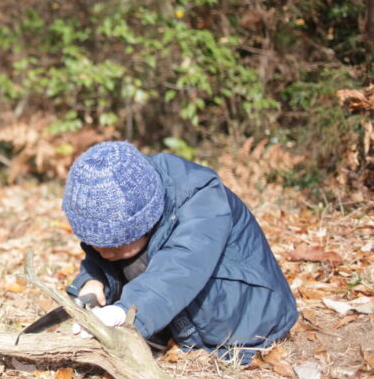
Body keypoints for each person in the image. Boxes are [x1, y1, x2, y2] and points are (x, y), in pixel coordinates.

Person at [62, 141, 298, 363]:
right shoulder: (131, 191)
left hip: (248, 321)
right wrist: (93, 279)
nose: (102, 251)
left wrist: (125, 312)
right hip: (185, 312)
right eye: (93, 241)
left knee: (156, 264)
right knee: (125, 258)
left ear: (145, 221)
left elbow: (180, 268)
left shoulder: (202, 199)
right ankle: (162, 330)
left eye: (112, 243)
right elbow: (104, 256)